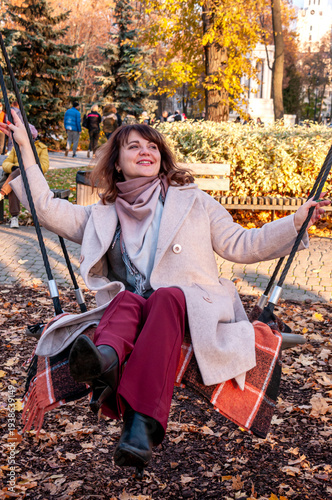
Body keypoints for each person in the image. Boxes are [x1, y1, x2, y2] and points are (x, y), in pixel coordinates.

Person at [0, 112, 329, 472]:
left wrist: (295, 222)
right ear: (117, 163)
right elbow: (46, 209)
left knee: (166, 295)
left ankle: (140, 422)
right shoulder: (101, 215)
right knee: (124, 299)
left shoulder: (194, 202)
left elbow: (242, 243)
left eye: (152, 146)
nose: (146, 151)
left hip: (188, 307)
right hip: (131, 315)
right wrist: (25, 150)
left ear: (161, 158)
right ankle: (105, 362)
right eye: (134, 147)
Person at [0, 124, 49, 228]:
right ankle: (14, 217)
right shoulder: (16, 147)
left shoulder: (41, 148)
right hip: (15, 178)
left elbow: (44, 166)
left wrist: (29, 168)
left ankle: (3, 195)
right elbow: (6, 163)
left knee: (19, 173)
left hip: (32, 178)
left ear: (33, 137)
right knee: (16, 177)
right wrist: (13, 167)